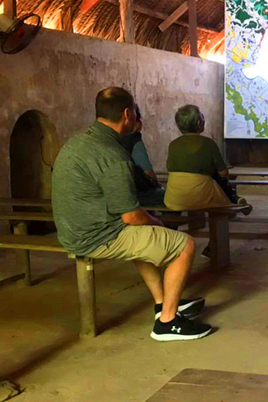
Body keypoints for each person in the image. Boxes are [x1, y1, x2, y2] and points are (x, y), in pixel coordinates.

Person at [52, 87, 211, 341]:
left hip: (72, 229)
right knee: (185, 245)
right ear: (127, 114)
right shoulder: (113, 154)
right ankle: (167, 323)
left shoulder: (79, 141)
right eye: (136, 111)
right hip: (95, 235)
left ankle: (163, 304)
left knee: (143, 234)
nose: (137, 116)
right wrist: (157, 223)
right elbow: (131, 217)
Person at [164, 104, 250, 213]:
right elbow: (223, 172)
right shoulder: (208, 143)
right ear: (198, 123)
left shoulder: (173, 145)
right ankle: (233, 198)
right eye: (202, 117)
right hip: (201, 198)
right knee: (218, 178)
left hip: (174, 200)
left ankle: (234, 199)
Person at [119, 106, 165, 206]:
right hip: (134, 194)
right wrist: (157, 184)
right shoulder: (134, 141)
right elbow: (148, 173)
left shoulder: (111, 138)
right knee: (167, 196)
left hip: (115, 193)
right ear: (136, 123)